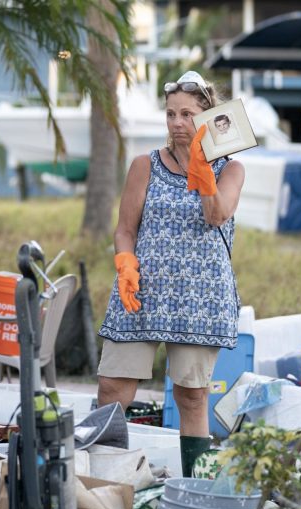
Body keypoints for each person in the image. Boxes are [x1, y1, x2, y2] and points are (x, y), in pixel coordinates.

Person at [96, 70, 246, 478]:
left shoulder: (230, 170)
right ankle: (101, 480)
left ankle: (195, 488)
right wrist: (125, 263)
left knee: (192, 396)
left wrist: (202, 167)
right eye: (170, 114)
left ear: (208, 118)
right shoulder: (144, 165)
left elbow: (216, 215)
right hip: (141, 292)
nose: (177, 123)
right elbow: (125, 229)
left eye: (187, 114)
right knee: (113, 389)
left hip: (200, 299)